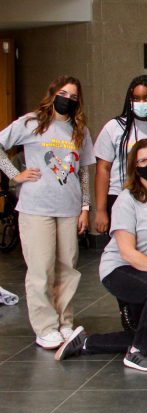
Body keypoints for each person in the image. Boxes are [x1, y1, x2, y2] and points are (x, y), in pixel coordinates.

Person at [55, 139, 147, 371]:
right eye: (143, 161)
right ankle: (136, 354)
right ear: (135, 166)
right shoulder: (127, 200)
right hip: (121, 269)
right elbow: (128, 253)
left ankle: (85, 342)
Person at [0, 76, 95, 349]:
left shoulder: (79, 130)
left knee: (67, 267)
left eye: (74, 96)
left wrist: (85, 208)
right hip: (36, 207)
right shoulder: (32, 123)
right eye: (64, 93)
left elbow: (83, 172)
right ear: (52, 94)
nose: (68, 99)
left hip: (69, 207)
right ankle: (45, 326)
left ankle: (64, 322)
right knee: (41, 268)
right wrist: (15, 175)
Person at [94, 75, 147, 234]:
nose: (141, 103)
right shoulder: (115, 127)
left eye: (146, 98)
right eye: (136, 98)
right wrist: (100, 210)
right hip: (120, 196)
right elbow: (103, 169)